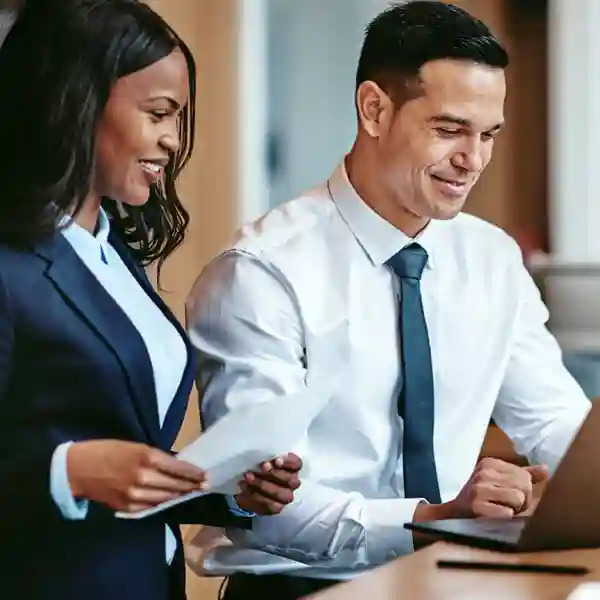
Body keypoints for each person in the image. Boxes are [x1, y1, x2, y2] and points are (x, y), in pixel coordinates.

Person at [186, 2, 592, 599]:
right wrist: (435, 517)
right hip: (303, 590)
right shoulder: (262, 274)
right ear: (374, 109)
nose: (472, 161)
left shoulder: (493, 260)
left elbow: (556, 421)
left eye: (488, 136)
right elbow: (270, 509)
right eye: (450, 130)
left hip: (452, 581)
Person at [0, 2, 302, 599]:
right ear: (76, 103)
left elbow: (126, 457)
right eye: (159, 113)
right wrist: (70, 472)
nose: (172, 140)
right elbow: (78, 464)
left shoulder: (112, 252)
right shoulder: (10, 263)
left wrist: (223, 487)